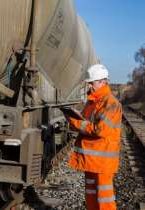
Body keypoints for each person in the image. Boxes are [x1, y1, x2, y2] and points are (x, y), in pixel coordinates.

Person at [67, 64, 122, 210]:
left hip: (103, 162)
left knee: (105, 199)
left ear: (103, 82)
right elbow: (84, 124)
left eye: (93, 82)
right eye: (89, 82)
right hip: (91, 160)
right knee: (91, 195)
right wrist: (74, 121)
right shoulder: (92, 102)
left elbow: (100, 130)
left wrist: (76, 123)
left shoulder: (111, 104)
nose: (90, 85)